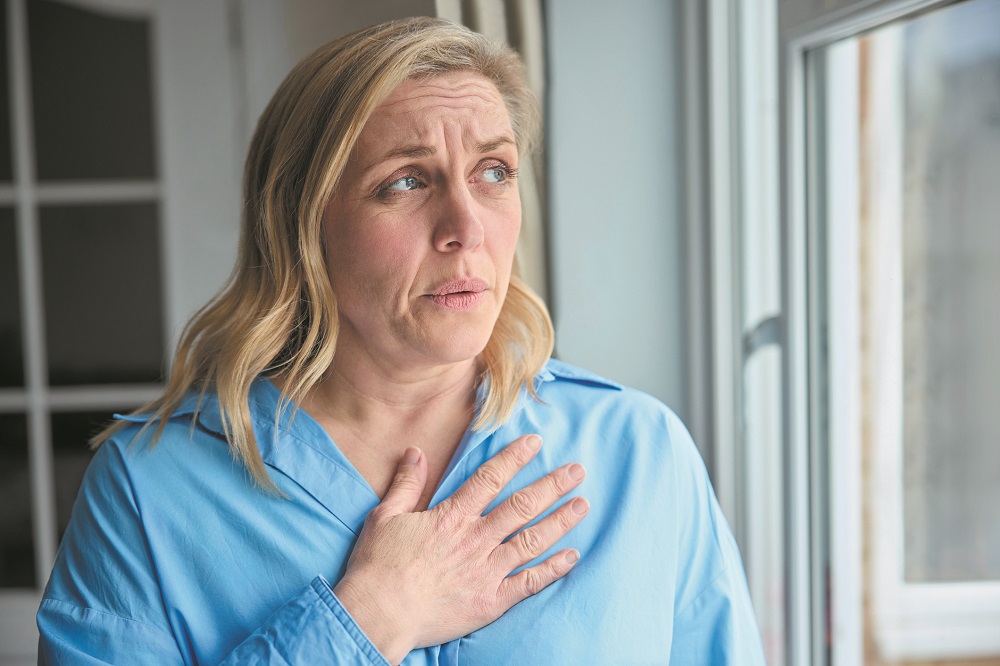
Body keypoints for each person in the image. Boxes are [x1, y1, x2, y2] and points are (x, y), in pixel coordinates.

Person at [36, 16, 765, 665]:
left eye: (494, 172)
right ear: (301, 223)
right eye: (407, 182)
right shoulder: (148, 491)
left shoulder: (639, 453)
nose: (467, 228)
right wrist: (369, 617)